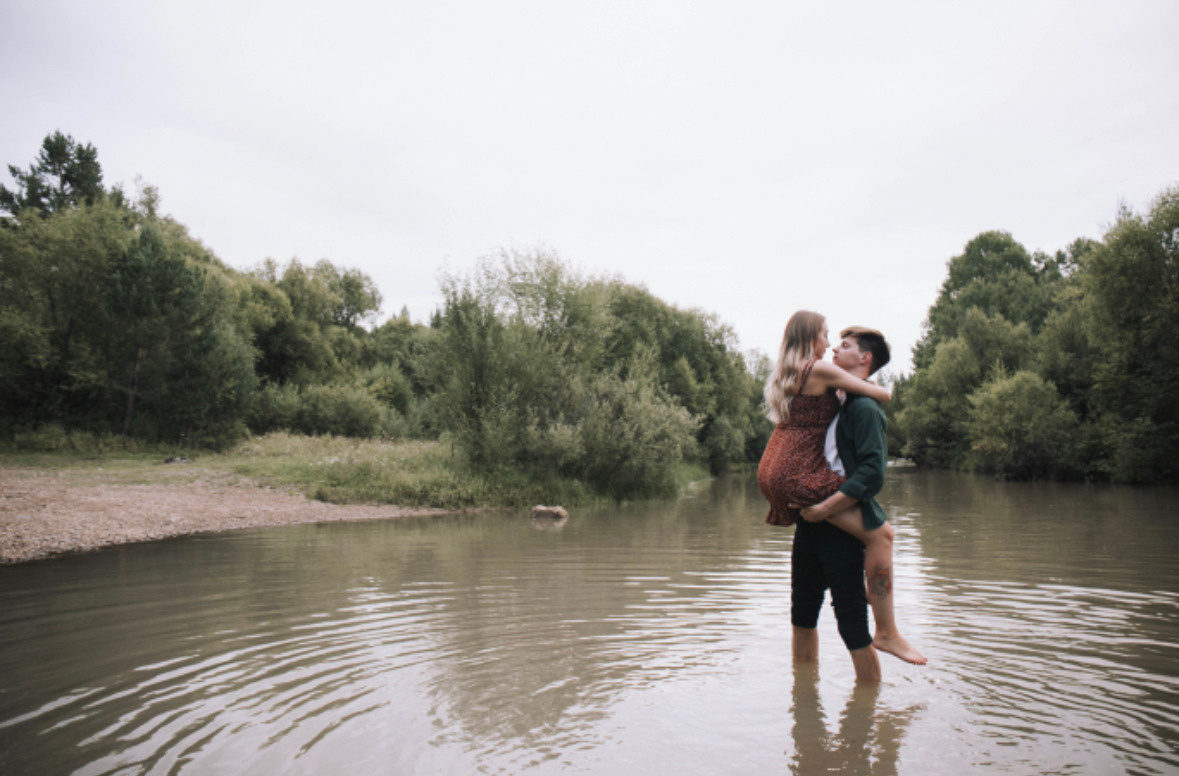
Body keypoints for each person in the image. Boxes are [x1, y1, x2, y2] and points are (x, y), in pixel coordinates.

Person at [757, 312, 925, 678]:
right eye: (828, 336)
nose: (832, 344)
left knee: (824, 616)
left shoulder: (859, 405)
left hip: (794, 485)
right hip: (803, 488)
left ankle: (815, 700)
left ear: (865, 359)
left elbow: (871, 473)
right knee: (882, 535)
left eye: (843, 344)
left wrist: (823, 508)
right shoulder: (836, 389)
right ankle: (887, 629)